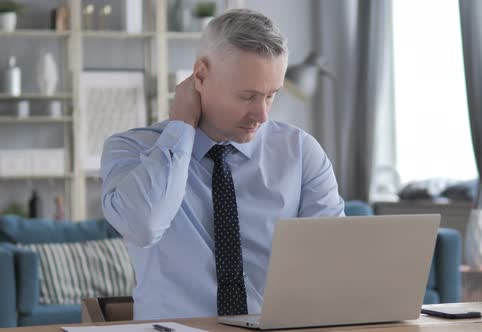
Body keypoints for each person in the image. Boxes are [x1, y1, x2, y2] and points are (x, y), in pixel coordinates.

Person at [101, 9, 344, 320]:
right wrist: (181, 126)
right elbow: (144, 226)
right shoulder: (132, 149)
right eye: (247, 96)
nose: (262, 114)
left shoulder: (300, 152)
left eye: (270, 96)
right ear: (200, 76)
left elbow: (332, 261)